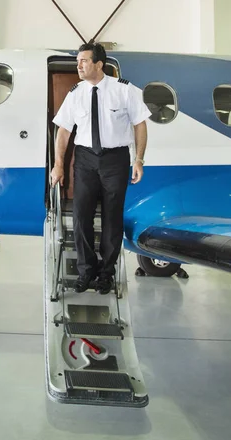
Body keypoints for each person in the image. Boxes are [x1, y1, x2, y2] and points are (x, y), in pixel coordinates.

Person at [51, 42, 151, 294]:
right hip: (85, 160)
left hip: (115, 160)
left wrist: (138, 159)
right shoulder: (75, 93)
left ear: (99, 64)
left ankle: (106, 273)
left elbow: (140, 125)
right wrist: (58, 164)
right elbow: (63, 131)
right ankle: (86, 271)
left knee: (112, 218)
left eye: (84, 61)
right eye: (78, 62)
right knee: (81, 216)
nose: (79, 65)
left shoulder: (125, 91)